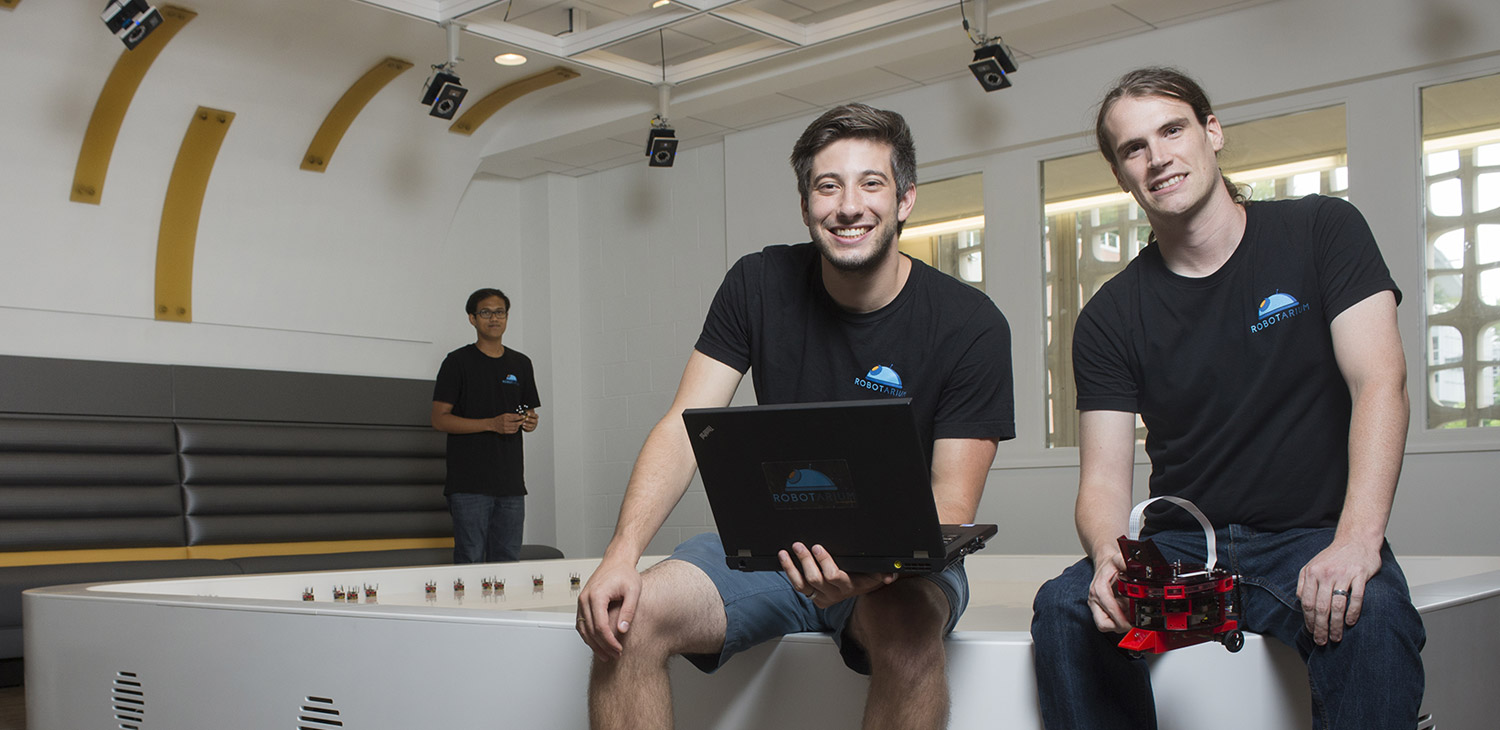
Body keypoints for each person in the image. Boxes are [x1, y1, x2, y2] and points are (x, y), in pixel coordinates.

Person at [576, 103, 1015, 730]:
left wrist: (869, 572)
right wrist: (623, 552)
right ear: (806, 202)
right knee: (629, 617)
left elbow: (951, 502)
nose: (848, 206)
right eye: (827, 185)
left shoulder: (970, 324)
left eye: (871, 183)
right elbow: (683, 425)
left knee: (909, 632)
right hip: (774, 552)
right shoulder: (757, 283)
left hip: (900, 567)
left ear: (905, 199)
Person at [1029, 67, 1425, 729]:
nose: (1158, 157)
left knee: (1374, 614)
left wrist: (1359, 541)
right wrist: (1108, 558)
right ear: (1120, 173)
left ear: (1212, 131)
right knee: (1069, 606)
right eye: (1133, 148)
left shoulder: (1322, 230)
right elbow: (1102, 477)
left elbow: (1379, 383)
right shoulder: (1109, 315)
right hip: (1186, 547)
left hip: (1310, 534)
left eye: (1173, 129)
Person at [431, 288, 540, 564]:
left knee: (508, 561)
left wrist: (529, 421)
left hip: (511, 484)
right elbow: (439, 419)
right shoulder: (457, 363)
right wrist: (491, 424)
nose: (494, 318)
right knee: (471, 560)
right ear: (472, 319)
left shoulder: (521, 363)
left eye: (500, 312)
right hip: (469, 484)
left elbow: (527, 411)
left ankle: (504, 610)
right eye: (486, 312)